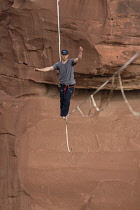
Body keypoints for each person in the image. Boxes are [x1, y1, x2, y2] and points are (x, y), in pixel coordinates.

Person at [35, 47, 83, 119]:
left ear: (68, 55)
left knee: (67, 100)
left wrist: (80, 52)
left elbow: (78, 59)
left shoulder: (71, 62)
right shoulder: (58, 64)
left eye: (65, 55)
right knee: (62, 100)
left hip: (70, 86)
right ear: (61, 55)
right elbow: (50, 68)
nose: (64, 56)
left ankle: (64, 114)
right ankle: (62, 114)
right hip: (62, 85)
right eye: (63, 55)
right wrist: (40, 70)